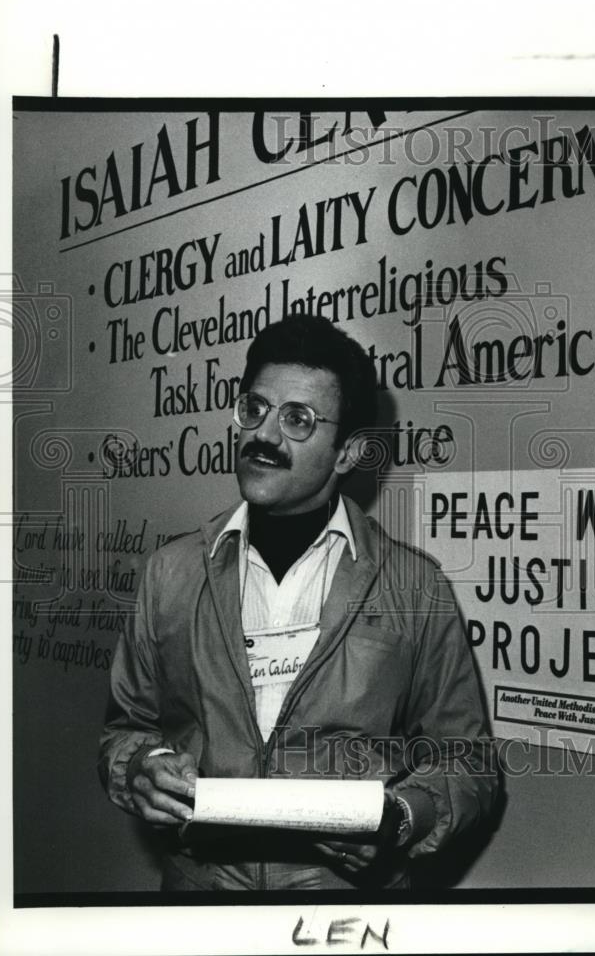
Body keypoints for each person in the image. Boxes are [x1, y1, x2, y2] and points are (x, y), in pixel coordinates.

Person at [99, 314, 497, 891]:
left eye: (299, 420)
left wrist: (403, 817)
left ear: (347, 453)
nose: (264, 436)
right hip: (202, 901)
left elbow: (469, 763)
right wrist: (140, 766)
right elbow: (126, 727)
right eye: (254, 409)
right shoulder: (172, 572)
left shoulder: (415, 586)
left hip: (349, 910)